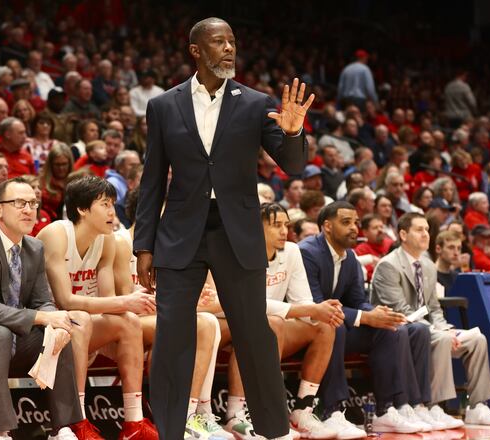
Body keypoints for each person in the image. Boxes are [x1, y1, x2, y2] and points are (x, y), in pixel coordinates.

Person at [133, 17, 313, 440]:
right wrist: (144, 245)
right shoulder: (163, 105)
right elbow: (153, 177)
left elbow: (294, 164)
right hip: (179, 233)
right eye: (218, 42)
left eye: (232, 41)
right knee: (173, 340)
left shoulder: (255, 103)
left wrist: (294, 132)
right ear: (196, 50)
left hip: (238, 233)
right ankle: (170, 433)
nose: (229, 48)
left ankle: (275, 432)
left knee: (255, 337)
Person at [0, 177, 84, 440]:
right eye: (19, 203)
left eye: (33, 203)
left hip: (13, 335)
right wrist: (40, 316)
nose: (28, 209)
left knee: (60, 331)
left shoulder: (34, 246)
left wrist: (52, 321)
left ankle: (64, 428)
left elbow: (42, 300)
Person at [215, 203, 360, 438]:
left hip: (269, 326)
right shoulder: (237, 252)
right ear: (255, 227)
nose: (284, 231)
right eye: (276, 226)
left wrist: (320, 311)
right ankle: (236, 414)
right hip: (228, 323)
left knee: (324, 325)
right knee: (272, 323)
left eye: (286, 225)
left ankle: (302, 410)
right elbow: (250, 306)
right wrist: (310, 309)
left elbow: (303, 301)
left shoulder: (292, 251)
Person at [37, 175, 158, 440]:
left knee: (128, 321)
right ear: (82, 209)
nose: (112, 213)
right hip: (45, 327)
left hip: (83, 327)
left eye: (113, 205)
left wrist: (134, 300)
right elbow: (65, 301)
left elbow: (109, 300)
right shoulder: (56, 234)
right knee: (79, 317)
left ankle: (134, 421)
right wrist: (125, 301)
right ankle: (76, 420)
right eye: (104, 204)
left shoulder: (106, 240)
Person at [300, 201, 429, 434]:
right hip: (306, 326)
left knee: (390, 328)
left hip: (337, 323)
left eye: (356, 223)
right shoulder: (307, 252)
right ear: (327, 226)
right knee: (333, 325)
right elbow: (314, 304)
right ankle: (333, 411)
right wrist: (364, 316)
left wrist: (376, 314)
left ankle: (385, 410)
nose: (354, 228)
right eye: (346, 222)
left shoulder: (350, 258)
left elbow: (357, 300)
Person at [112, 185, 229, 439]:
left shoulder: (179, 245)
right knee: (199, 323)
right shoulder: (121, 243)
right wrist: (182, 304)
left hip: (161, 317)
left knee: (208, 322)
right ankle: (186, 415)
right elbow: (125, 303)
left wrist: (195, 303)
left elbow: (213, 299)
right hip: (128, 322)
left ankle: (194, 412)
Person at [371, 212, 490, 428]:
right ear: (403, 234)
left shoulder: (427, 265)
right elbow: (401, 311)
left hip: (428, 328)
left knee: (477, 339)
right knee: (442, 340)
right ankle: (435, 405)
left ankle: (477, 406)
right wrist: (439, 332)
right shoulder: (388, 265)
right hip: (402, 329)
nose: (426, 234)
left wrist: (446, 328)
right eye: (419, 230)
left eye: (427, 229)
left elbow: (434, 308)